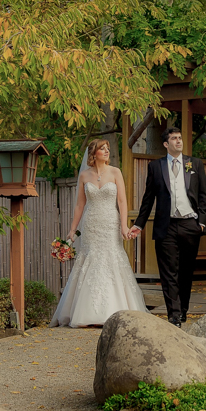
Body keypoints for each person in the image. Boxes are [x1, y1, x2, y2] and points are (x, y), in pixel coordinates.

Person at [50, 139, 147, 327]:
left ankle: (115, 311)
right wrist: (72, 229)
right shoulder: (84, 176)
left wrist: (124, 226)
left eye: (108, 148)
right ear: (93, 154)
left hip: (111, 222)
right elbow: (80, 204)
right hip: (91, 224)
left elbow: (122, 201)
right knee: (91, 261)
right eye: (102, 149)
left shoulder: (115, 172)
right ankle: (87, 313)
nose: (106, 151)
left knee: (111, 259)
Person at [129, 127, 206, 328]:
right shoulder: (156, 167)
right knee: (168, 273)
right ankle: (173, 315)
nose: (178, 141)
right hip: (166, 226)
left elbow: (203, 195)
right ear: (166, 144)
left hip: (190, 224)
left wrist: (201, 222)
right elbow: (148, 199)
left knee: (185, 271)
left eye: (180, 138)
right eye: (174, 138)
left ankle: (182, 311)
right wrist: (139, 224)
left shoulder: (194, 164)